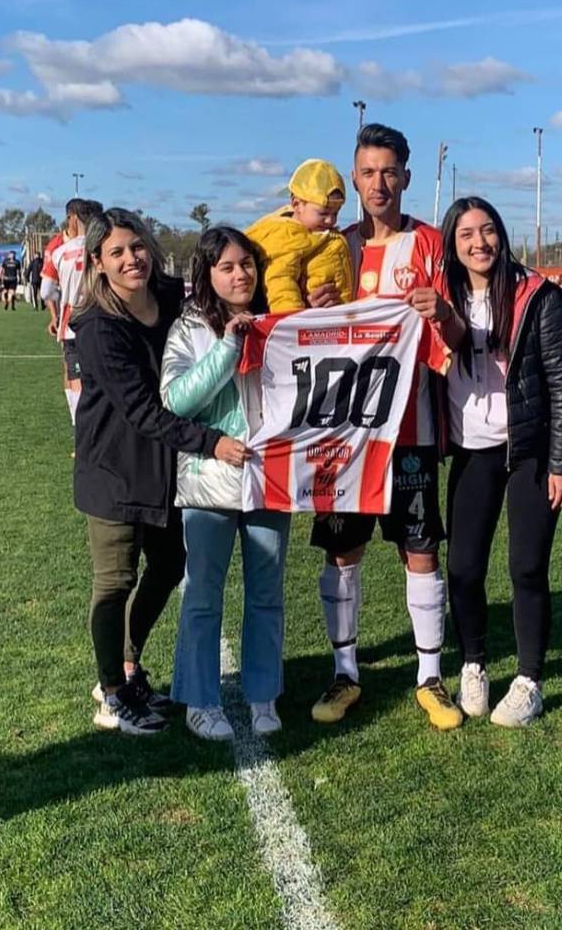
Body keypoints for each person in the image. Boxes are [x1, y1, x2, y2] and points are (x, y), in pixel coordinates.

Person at [308, 122, 467, 731]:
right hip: (344, 439)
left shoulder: (429, 245)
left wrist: (443, 313)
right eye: (368, 172)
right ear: (354, 178)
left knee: (420, 551)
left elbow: (455, 338)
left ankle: (430, 677)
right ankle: (345, 673)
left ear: (406, 176)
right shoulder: (335, 246)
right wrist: (317, 314)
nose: (379, 183)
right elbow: (305, 337)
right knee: (342, 553)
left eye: (389, 172)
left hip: (412, 433)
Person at [71, 207, 245, 736]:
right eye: (117, 252)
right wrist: (211, 443)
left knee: (169, 566)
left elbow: (221, 296)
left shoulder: (172, 297)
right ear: (98, 262)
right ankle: (111, 691)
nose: (131, 259)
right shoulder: (98, 327)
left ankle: (127, 666)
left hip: (165, 468)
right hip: (114, 470)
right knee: (115, 581)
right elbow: (144, 411)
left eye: (137, 247)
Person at [441, 198, 562, 726]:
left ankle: (529, 680)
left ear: (502, 234)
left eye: (488, 230)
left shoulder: (535, 294)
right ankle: (473, 664)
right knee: (463, 567)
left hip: (529, 451)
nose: (479, 242)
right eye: (466, 234)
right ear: (452, 245)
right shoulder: (441, 297)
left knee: (526, 567)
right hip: (471, 452)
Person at [161, 226, 290, 741]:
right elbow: (176, 402)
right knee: (203, 594)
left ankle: (263, 694)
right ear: (207, 274)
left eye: (247, 265)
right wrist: (227, 348)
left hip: (270, 480)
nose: (240, 275)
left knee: (267, 594)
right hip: (208, 484)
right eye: (228, 267)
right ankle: (199, 699)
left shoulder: (278, 322)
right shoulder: (188, 328)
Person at [244, 159, 354, 311]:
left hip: (338, 321)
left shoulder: (321, 234)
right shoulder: (286, 237)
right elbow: (280, 282)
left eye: (336, 213)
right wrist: (293, 321)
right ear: (297, 205)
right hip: (306, 326)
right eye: (323, 213)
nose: (331, 220)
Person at [42, 199, 104, 442]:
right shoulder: (102, 247)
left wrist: (61, 300)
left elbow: (46, 290)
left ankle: (82, 432)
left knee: (75, 376)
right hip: (101, 317)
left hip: (72, 321)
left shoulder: (58, 251)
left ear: (73, 219)